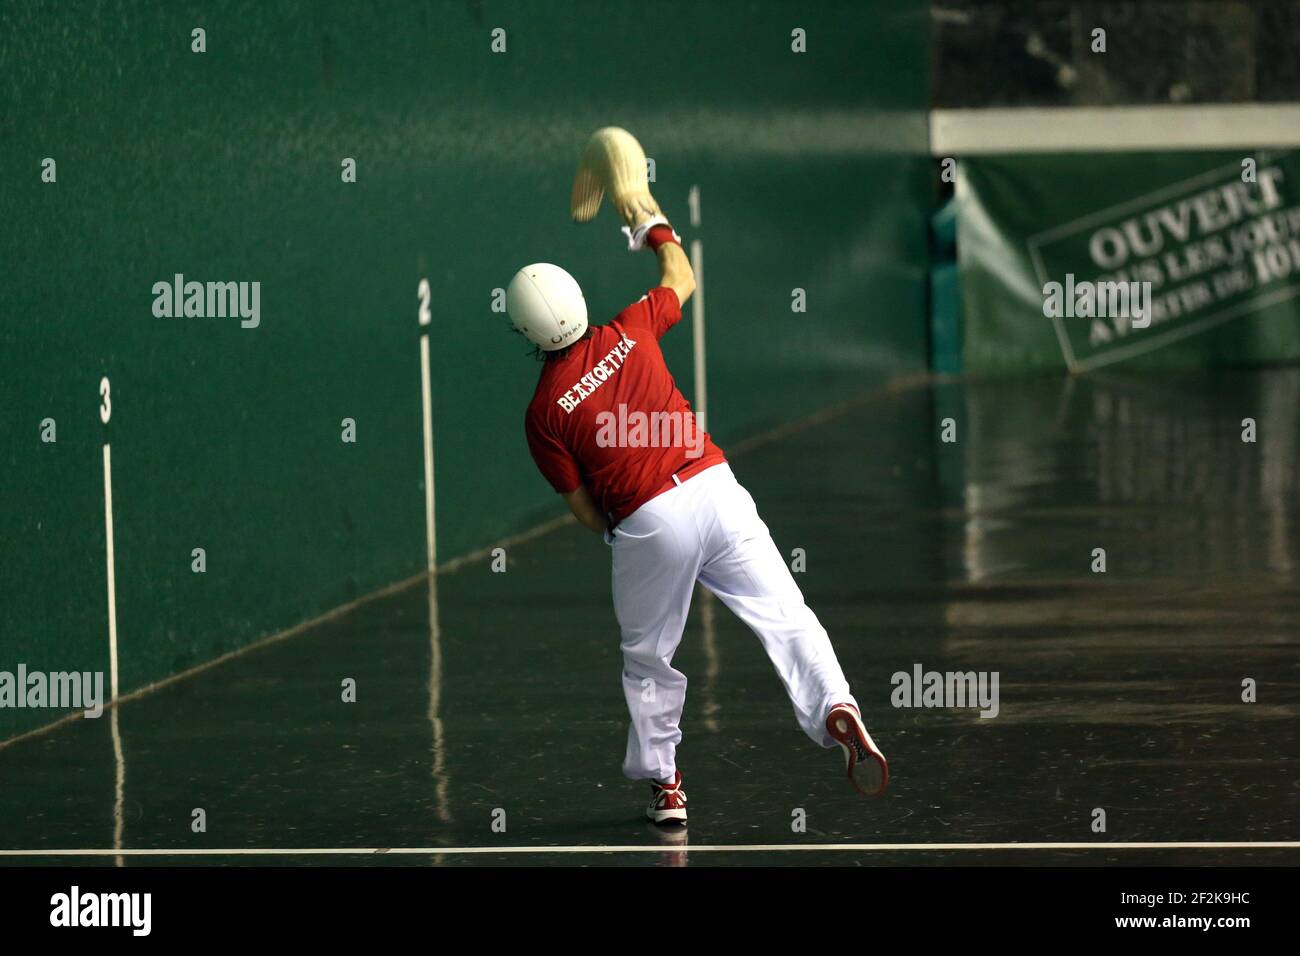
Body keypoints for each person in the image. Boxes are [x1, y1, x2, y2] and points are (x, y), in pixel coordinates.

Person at [508, 207, 888, 825]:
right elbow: (680, 275)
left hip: (649, 519)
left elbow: (580, 505)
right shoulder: (631, 329)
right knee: (787, 613)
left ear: (525, 332)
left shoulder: (544, 411)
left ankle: (667, 787)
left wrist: (626, 537)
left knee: (648, 657)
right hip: (716, 488)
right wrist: (651, 223)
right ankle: (835, 706)